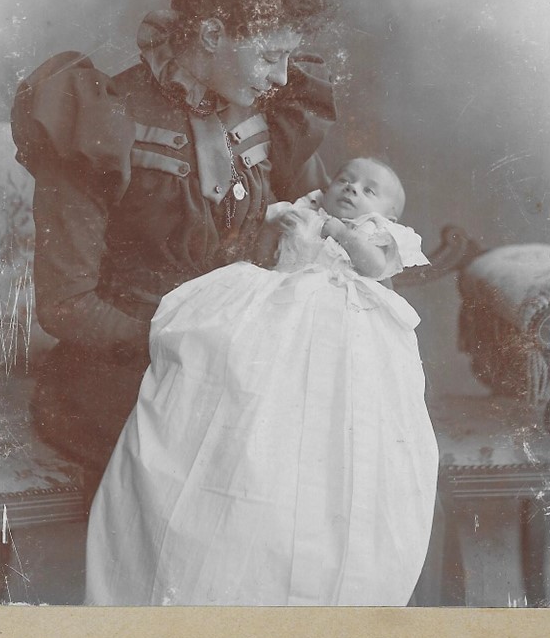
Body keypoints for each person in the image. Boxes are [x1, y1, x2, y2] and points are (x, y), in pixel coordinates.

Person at [10, 0, 337, 494]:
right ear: (211, 34)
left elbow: (323, 221)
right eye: (269, 56)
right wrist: (190, 345)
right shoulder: (99, 122)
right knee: (247, 466)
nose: (283, 78)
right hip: (127, 377)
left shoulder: (270, 111)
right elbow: (64, 306)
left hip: (242, 366)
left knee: (328, 444)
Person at [85, 157, 439, 606]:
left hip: (348, 326)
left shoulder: (380, 234)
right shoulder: (304, 209)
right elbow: (258, 229)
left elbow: (374, 268)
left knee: (341, 426)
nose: (352, 191)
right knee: (242, 392)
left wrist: (340, 231)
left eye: (370, 191)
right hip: (278, 306)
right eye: (345, 180)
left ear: (389, 214)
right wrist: (273, 217)